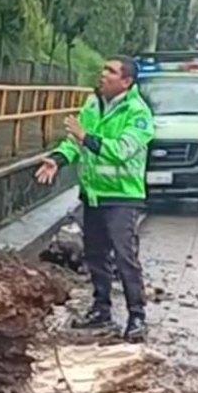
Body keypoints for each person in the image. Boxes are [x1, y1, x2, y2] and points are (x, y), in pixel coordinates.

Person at [35, 55, 154, 342]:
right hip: (94, 194)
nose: (103, 75)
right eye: (103, 69)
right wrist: (58, 160)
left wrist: (85, 137)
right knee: (95, 255)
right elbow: (73, 143)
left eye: (111, 71)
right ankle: (101, 308)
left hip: (122, 196)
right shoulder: (93, 105)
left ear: (126, 81)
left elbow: (122, 149)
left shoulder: (138, 113)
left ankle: (137, 316)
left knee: (125, 257)